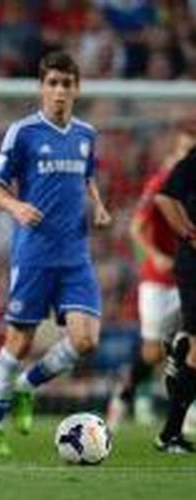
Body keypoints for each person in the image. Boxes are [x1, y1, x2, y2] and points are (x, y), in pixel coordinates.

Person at [0, 51, 112, 457]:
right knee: (18, 343)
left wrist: (99, 204)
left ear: (77, 89)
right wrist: (16, 207)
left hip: (75, 254)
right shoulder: (23, 132)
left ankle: (27, 386)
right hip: (33, 254)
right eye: (52, 83)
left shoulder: (86, 134)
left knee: (86, 341)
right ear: (41, 87)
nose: (59, 91)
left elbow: (87, 178)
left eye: (66, 84)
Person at [107, 122, 196, 429]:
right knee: (154, 352)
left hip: (190, 274)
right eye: (186, 149)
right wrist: (156, 255)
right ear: (176, 149)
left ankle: (186, 414)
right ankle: (124, 393)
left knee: (190, 344)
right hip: (160, 280)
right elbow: (136, 228)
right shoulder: (161, 181)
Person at [153, 127, 196, 453]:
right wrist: (191, 235)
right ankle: (170, 434)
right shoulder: (193, 161)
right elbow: (164, 196)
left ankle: (178, 349)